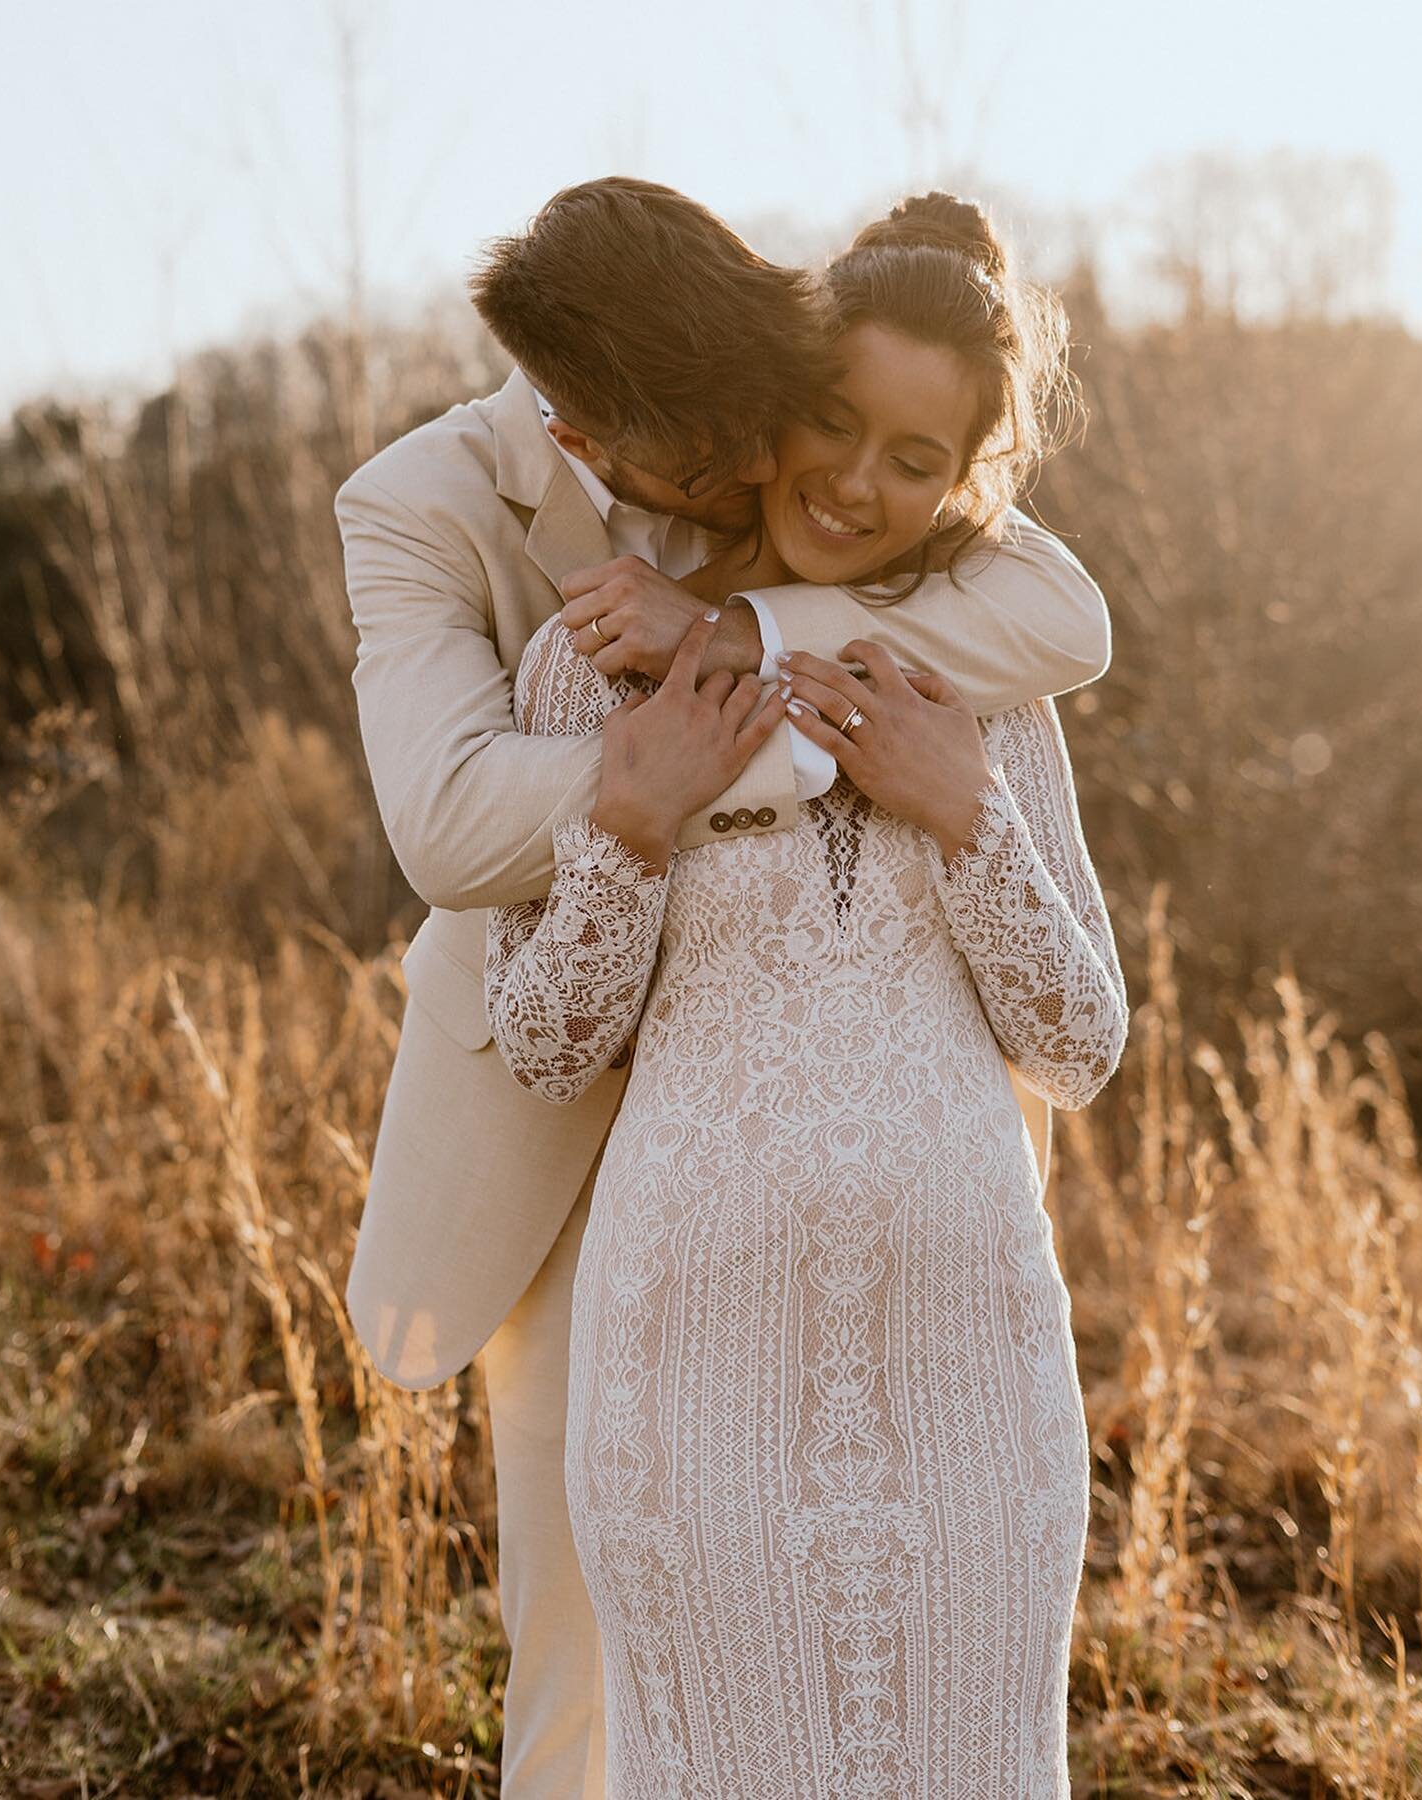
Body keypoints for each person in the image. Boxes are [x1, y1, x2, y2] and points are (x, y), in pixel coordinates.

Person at [335, 177, 1112, 1799]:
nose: (785, 476)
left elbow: (1080, 1020)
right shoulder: (483, 558)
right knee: (601, 1665)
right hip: (647, 1242)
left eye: (912, 457)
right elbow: (466, 864)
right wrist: (669, 781)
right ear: (590, 426)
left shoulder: (954, 642)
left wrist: (854, 715)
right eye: (807, 430)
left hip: (950, 1309)